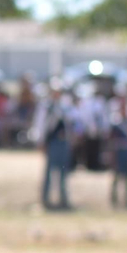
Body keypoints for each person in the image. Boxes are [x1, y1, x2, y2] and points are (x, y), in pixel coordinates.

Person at [34, 81, 73, 210]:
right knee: (49, 171)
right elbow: (40, 124)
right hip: (52, 142)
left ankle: (63, 198)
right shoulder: (47, 106)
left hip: (63, 143)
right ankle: (45, 199)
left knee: (63, 172)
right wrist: (41, 140)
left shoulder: (64, 106)